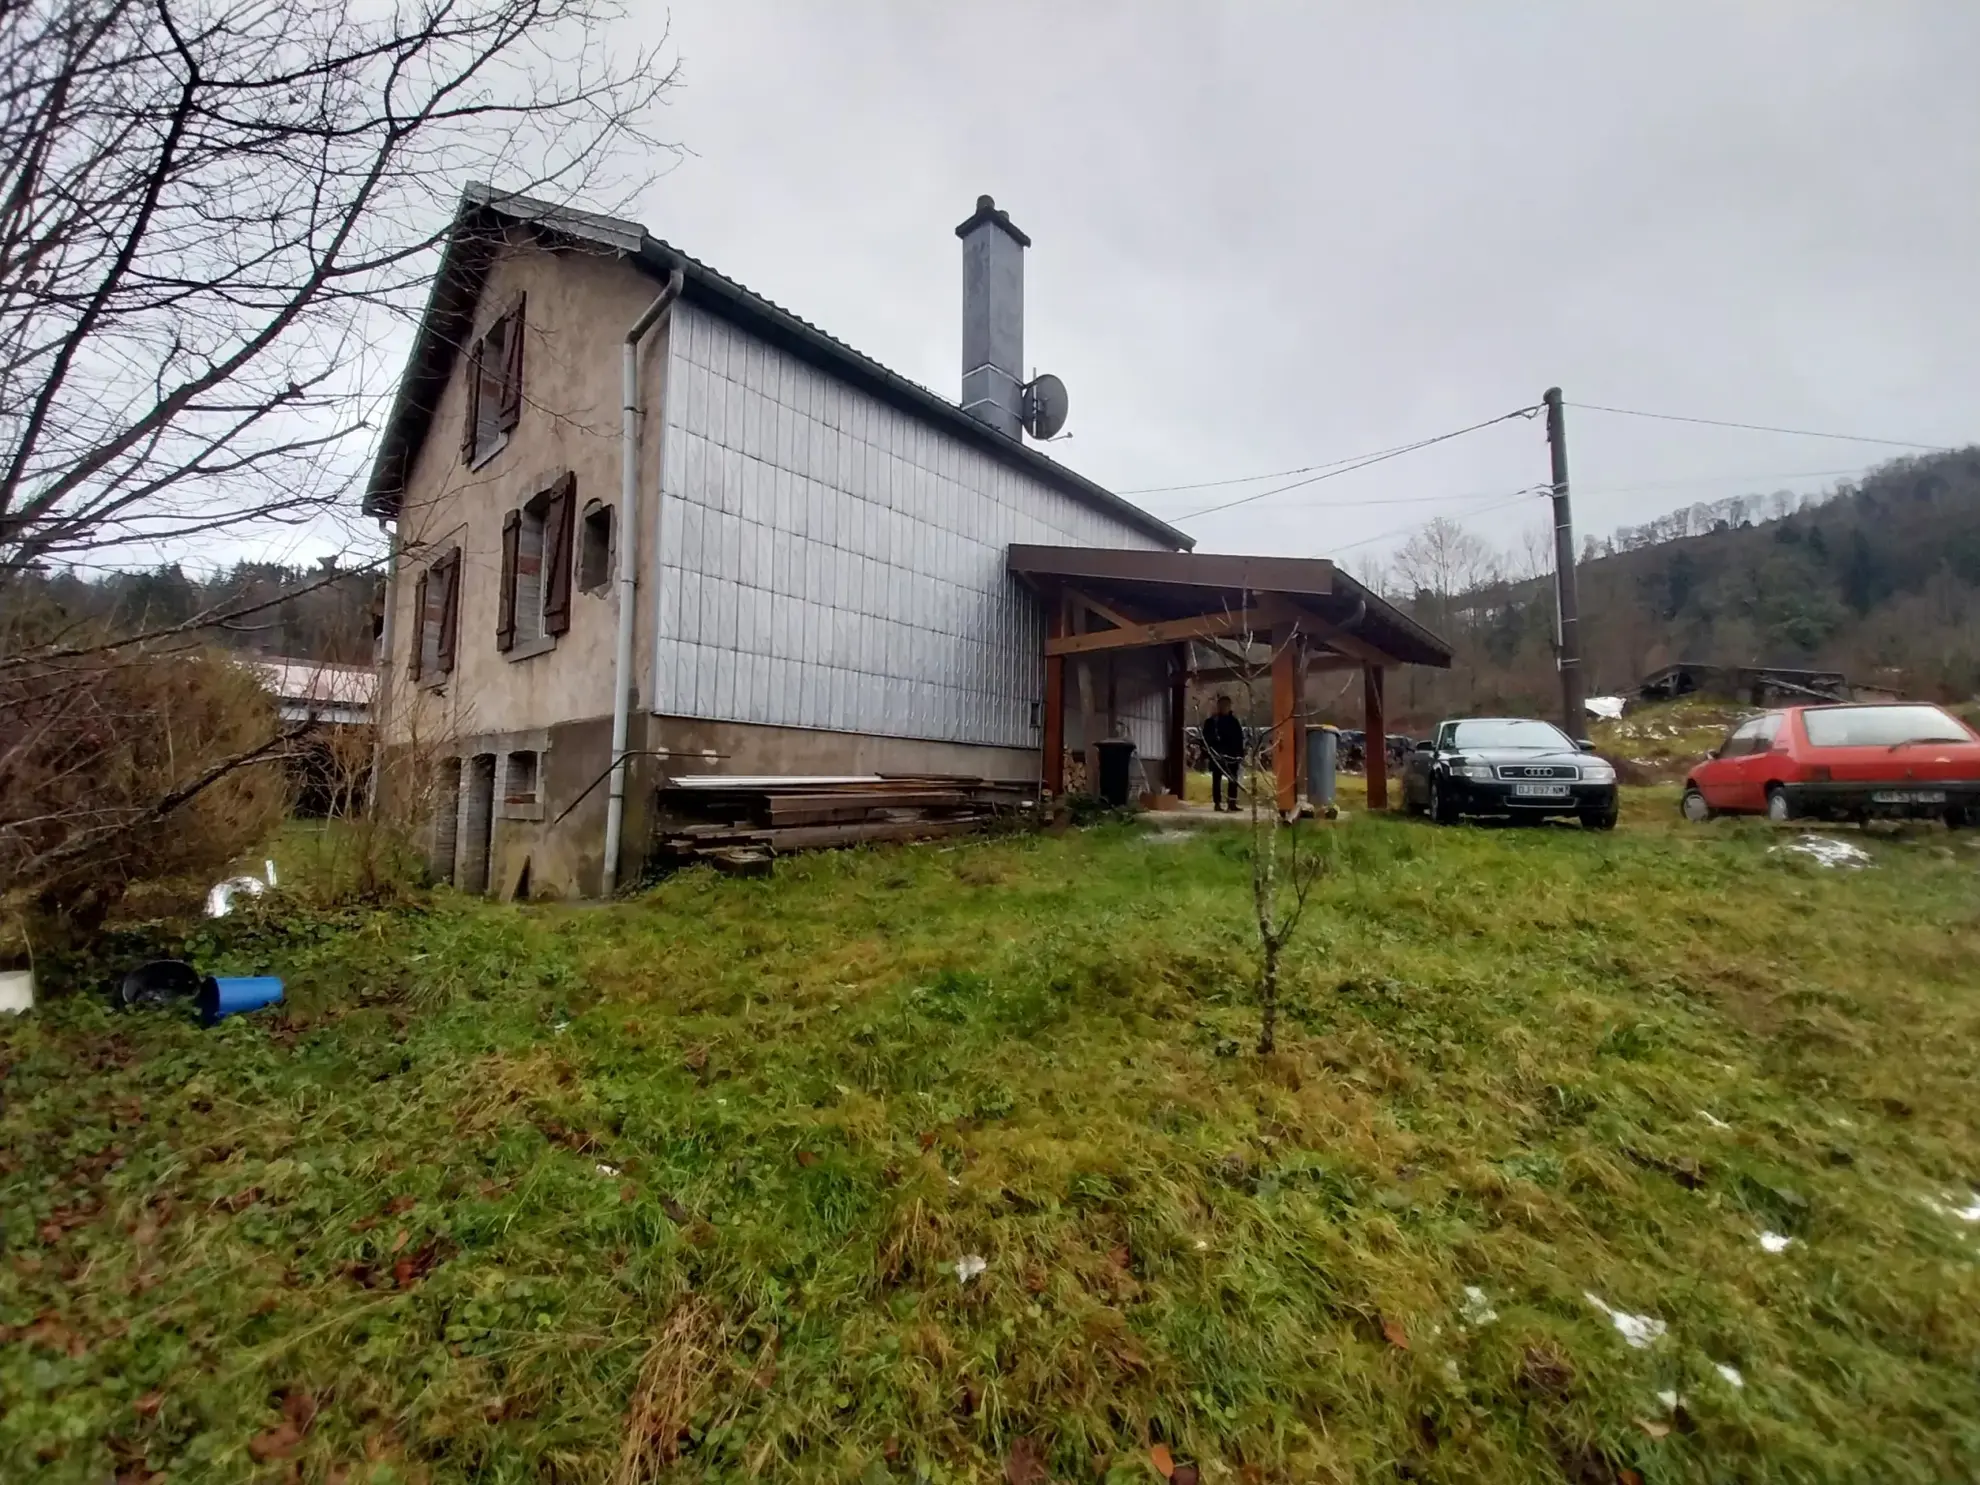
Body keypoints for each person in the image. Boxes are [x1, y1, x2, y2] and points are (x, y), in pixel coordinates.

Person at [1202, 694, 1246, 812]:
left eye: (1227, 705)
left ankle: (1232, 802)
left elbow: (1239, 739)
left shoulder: (1234, 722)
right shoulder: (1212, 722)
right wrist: (1209, 752)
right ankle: (1217, 803)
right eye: (1222, 705)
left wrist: (1240, 754)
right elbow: (1206, 739)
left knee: (1233, 779)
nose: (1225, 707)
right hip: (1217, 754)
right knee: (1217, 779)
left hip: (1232, 755)